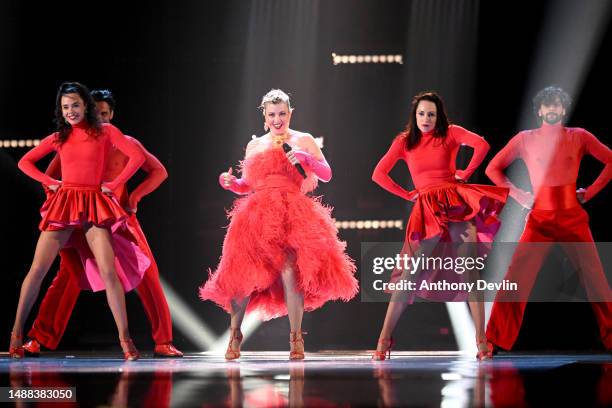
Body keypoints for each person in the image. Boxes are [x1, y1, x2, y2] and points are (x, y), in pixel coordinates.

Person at [21, 89, 183, 358]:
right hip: (82, 219)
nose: (102, 120)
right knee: (68, 275)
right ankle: (38, 337)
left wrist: (133, 196)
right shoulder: (73, 141)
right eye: (96, 114)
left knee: (148, 274)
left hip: (120, 219)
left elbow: (159, 171)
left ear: (112, 115)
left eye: (105, 114)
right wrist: (60, 202)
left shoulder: (124, 141)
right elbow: (47, 177)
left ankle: (163, 341)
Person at [199, 89, 358, 360]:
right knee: (243, 272)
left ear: (290, 113)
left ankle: (296, 338)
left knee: (289, 271)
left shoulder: (303, 139)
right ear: (264, 116)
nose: (277, 119)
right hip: (257, 214)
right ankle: (234, 335)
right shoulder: (255, 145)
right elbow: (248, 184)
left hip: (291, 212)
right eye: (272, 114)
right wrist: (231, 183)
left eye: (282, 113)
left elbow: (327, 174)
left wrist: (307, 159)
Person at [371, 91, 508, 360]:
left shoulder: (452, 132)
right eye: (421, 113)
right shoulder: (404, 142)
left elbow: (482, 145)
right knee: (409, 274)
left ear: (439, 116)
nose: (425, 118)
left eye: (431, 114)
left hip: (455, 201)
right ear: (415, 115)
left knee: (470, 269)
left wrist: (465, 174)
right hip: (426, 208)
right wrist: (407, 194)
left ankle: (481, 339)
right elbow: (378, 174)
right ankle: (384, 339)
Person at [485, 86, 612, 351]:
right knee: (516, 277)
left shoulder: (579, 136)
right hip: (539, 219)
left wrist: (589, 193)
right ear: (540, 110)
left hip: (573, 219)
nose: (552, 109)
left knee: (596, 279)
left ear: (563, 109)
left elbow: (611, 160)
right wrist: (520, 196)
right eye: (547, 105)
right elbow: (493, 169)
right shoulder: (525, 138)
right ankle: (493, 340)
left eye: (557, 105)